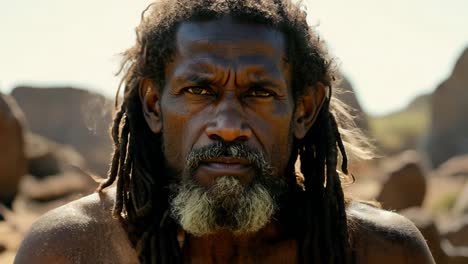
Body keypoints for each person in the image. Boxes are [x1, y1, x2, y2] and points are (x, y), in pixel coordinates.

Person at [15, 0, 435, 263]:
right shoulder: (68, 251)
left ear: (303, 110)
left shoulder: (382, 252)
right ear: (153, 105)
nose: (229, 127)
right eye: (199, 90)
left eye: (259, 92)